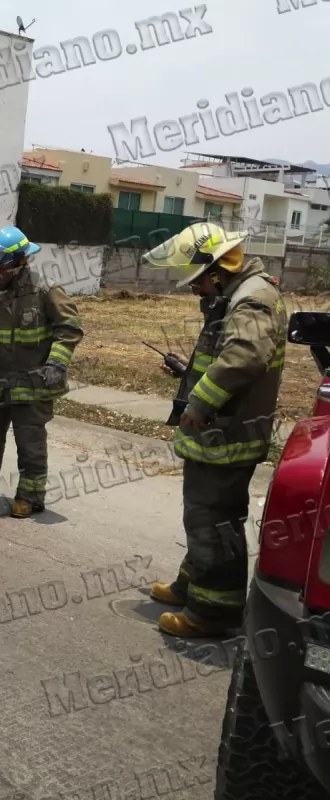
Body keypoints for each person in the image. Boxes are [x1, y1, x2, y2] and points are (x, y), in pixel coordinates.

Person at [142, 221, 286, 639]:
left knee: (213, 521)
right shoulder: (239, 294)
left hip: (228, 436)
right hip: (220, 431)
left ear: (220, 269)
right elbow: (224, 360)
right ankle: (193, 584)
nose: (195, 289)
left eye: (198, 280)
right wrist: (190, 377)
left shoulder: (252, 300)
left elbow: (244, 357)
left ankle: (211, 612)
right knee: (202, 518)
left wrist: (201, 401)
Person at [0, 226, 84, 518]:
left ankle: (30, 497)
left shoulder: (46, 290)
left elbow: (69, 329)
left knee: (30, 444)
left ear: (18, 262)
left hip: (33, 385)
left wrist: (56, 363)